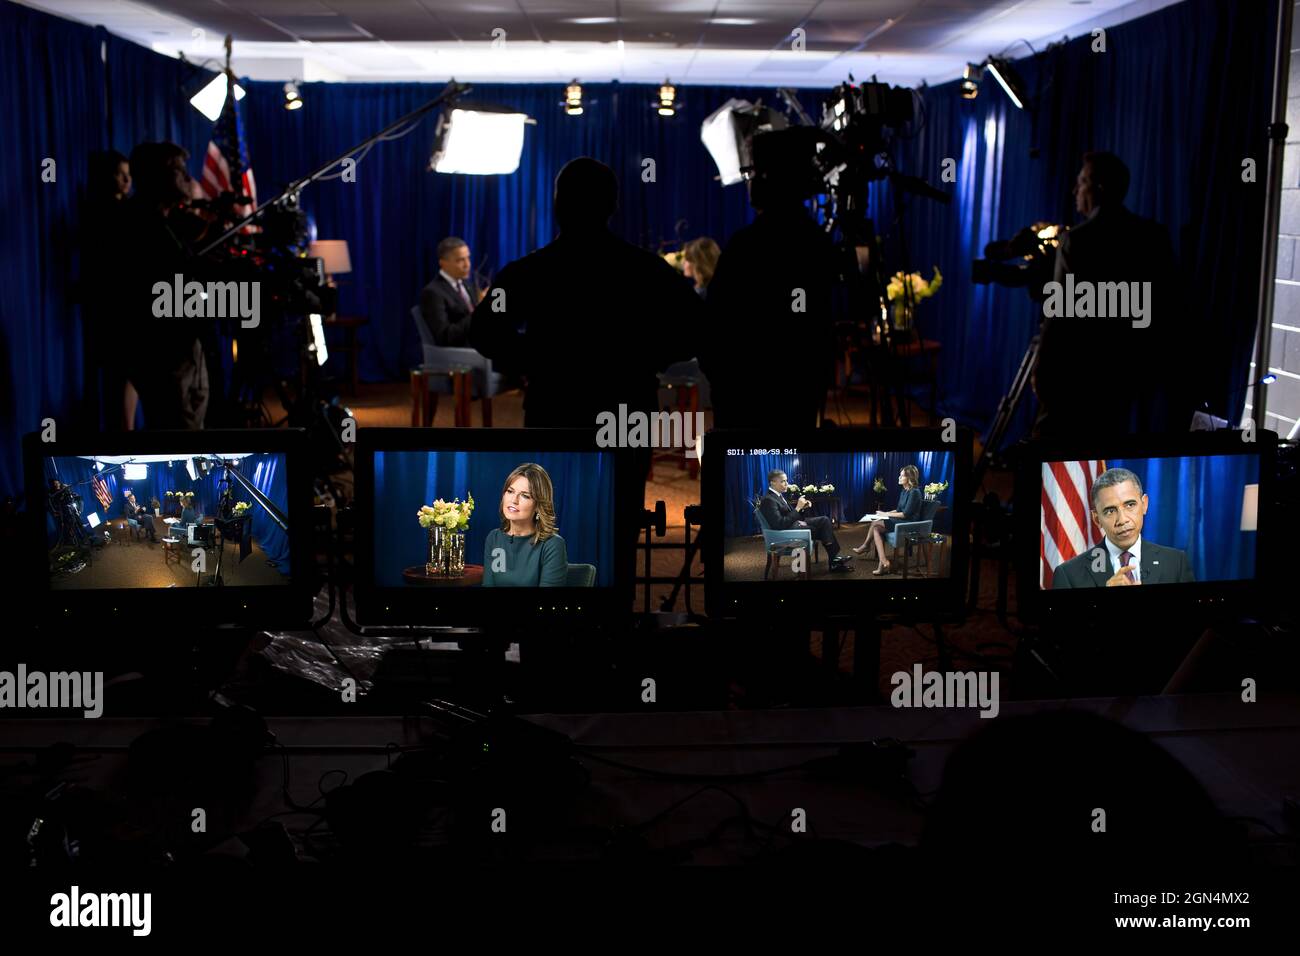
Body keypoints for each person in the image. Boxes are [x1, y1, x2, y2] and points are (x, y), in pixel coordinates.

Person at [469, 157, 702, 427]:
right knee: (621, 471)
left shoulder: (527, 271)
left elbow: (484, 332)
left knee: (553, 471)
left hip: (554, 408)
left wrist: (537, 358)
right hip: (626, 416)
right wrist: (645, 358)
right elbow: (697, 327)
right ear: (613, 205)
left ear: (557, 205)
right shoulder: (647, 269)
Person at [1033, 151, 1183, 438]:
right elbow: (1165, 308)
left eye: (1082, 182)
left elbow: (1060, 314)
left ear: (1098, 188)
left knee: (1049, 445)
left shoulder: (1077, 240)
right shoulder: (1153, 236)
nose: (1075, 190)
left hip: (1079, 374)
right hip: (1133, 375)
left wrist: (1043, 370)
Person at [703, 131, 838, 430]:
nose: (748, 181)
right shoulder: (819, 244)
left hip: (745, 402)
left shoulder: (746, 246)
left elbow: (715, 325)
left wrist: (720, 379)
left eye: (750, 171)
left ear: (767, 178)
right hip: (799, 397)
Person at [99, 142, 213, 430]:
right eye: (179, 171)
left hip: (188, 347)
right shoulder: (133, 221)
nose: (187, 178)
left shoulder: (168, 219)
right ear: (158, 177)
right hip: (163, 354)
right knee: (177, 433)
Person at [1051, 467, 1194, 587]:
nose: (1122, 520)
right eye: (1110, 511)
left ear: (1144, 504)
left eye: (1130, 505)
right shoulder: (1068, 575)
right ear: (1096, 518)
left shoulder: (1176, 562)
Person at [481, 463, 568, 587]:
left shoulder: (552, 545)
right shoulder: (494, 538)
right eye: (510, 491)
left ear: (538, 506)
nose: (514, 500)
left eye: (525, 496)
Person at [758, 470, 853, 573]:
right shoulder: (769, 500)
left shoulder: (778, 496)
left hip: (793, 524)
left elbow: (790, 515)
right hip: (786, 532)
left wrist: (802, 508)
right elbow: (779, 524)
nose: (787, 484)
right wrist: (798, 508)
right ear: (773, 482)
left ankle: (834, 559)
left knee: (824, 520)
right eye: (783, 481)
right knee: (822, 529)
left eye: (786, 481)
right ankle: (834, 562)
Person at [852, 464, 922, 575]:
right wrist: (884, 514)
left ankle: (867, 547)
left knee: (876, 523)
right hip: (902, 521)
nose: (899, 477)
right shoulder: (904, 491)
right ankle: (883, 561)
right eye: (900, 475)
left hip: (909, 523)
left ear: (910, 478)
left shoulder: (915, 492)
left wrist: (885, 514)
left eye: (902, 476)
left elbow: (905, 514)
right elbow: (898, 509)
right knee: (876, 528)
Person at [419, 237, 480, 346]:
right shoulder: (432, 293)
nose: (467, 265)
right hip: (464, 351)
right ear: (443, 263)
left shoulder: (468, 285)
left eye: (468, 258)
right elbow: (445, 337)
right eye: (460, 260)